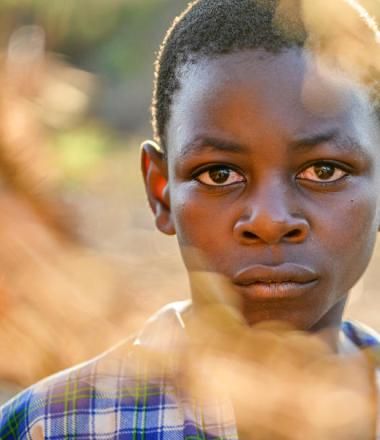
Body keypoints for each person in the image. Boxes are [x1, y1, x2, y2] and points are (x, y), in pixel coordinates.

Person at [1, 0, 380, 438]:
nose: (271, 220)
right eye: (219, 174)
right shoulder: (53, 425)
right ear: (160, 192)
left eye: (324, 171)